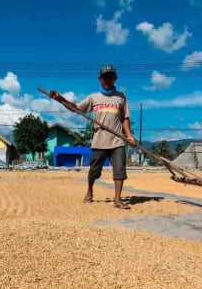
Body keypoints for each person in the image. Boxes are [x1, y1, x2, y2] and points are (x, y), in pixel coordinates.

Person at [49, 64, 136, 209]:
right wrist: (60, 99)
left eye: (111, 77)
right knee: (94, 171)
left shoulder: (121, 97)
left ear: (115, 78)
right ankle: (90, 190)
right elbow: (75, 108)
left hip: (117, 140)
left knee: (119, 170)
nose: (108, 80)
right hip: (99, 141)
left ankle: (117, 199)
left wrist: (129, 135)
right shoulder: (93, 98)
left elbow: (125, 118)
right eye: (105, 77)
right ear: (100, 79)